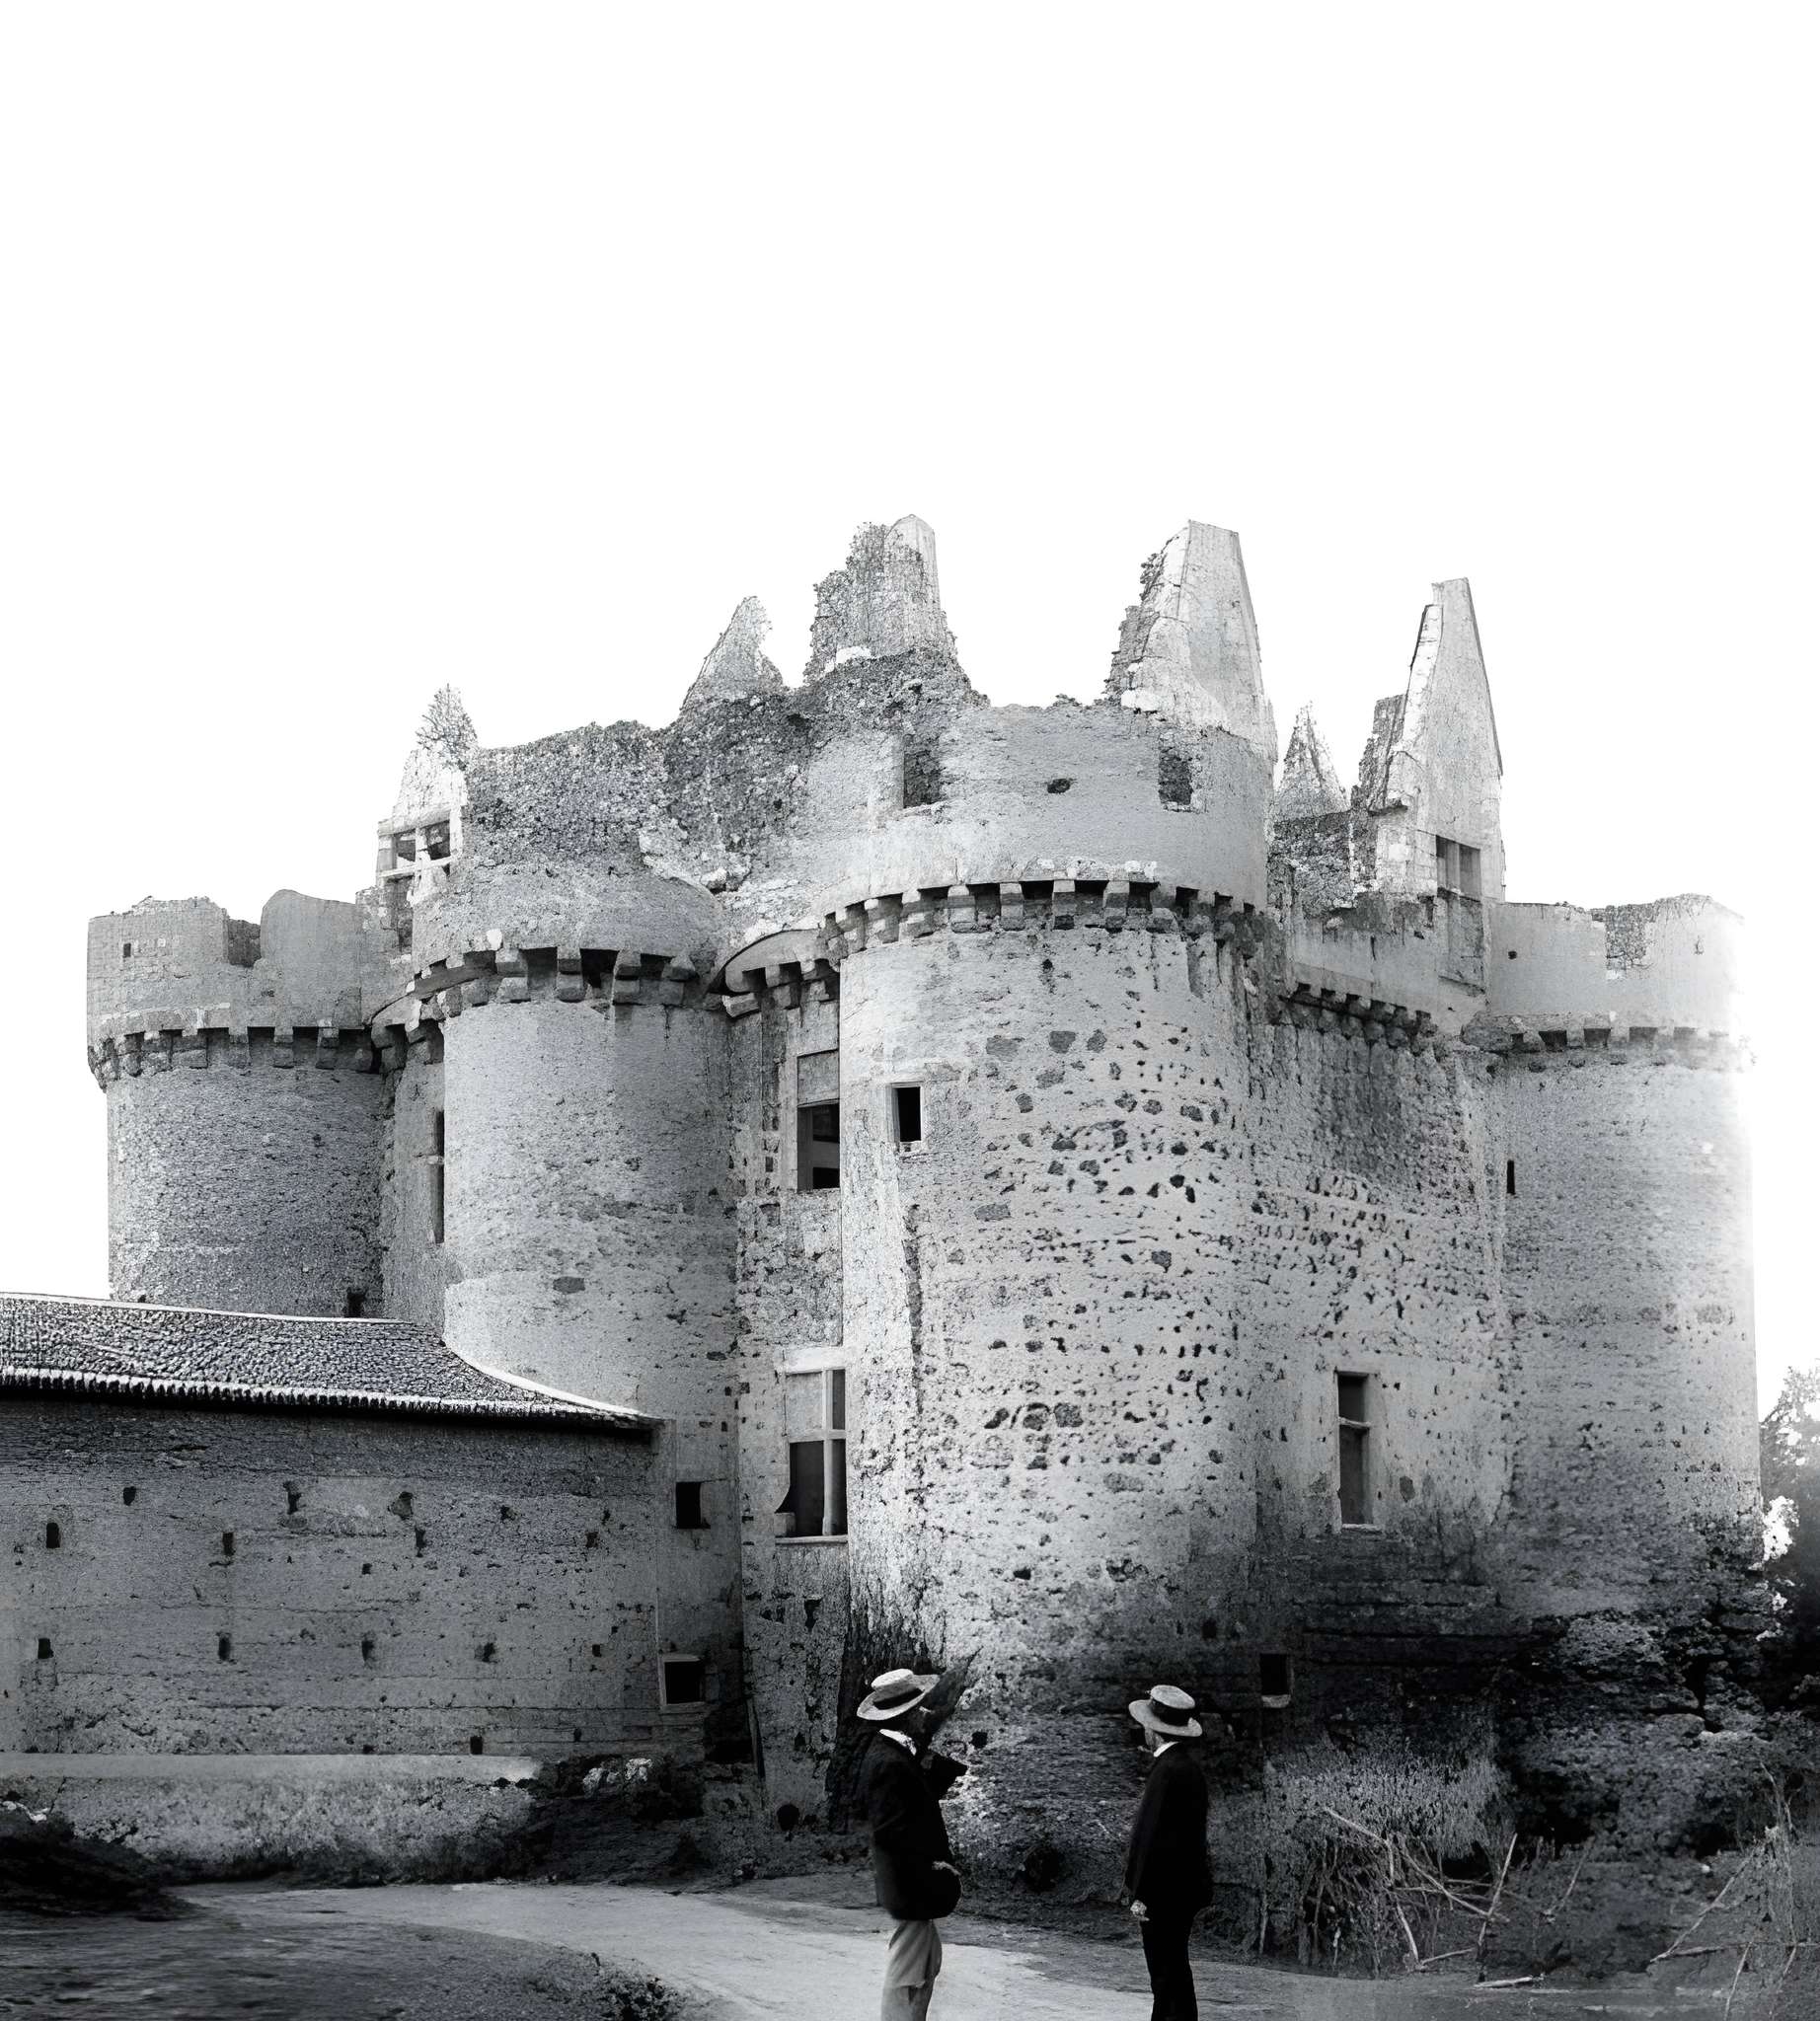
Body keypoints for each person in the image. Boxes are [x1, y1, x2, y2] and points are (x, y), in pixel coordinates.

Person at [854, 1666, 961, 2020]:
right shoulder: (890, 1763)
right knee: (907, 1980)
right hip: (910, 1885)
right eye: (920, 1709)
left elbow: (915, 1801)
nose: (925, 1714)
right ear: (907, 1715)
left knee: (924, 1969)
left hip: (909, 1886)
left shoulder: (895, 1754)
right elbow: (892, 1833)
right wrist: (932, 1867)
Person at [1123, 1682, 1213, 2021]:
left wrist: (1142, 1893)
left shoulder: (1167, 1772)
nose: (1143, 1729)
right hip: (1182, 1891)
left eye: (1146, 1724)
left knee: (1165, 1975)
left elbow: (1156, 1839)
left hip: (1164, 1894)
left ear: (1155, 1731)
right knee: (1174, 1974)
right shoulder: (1188, 1769)